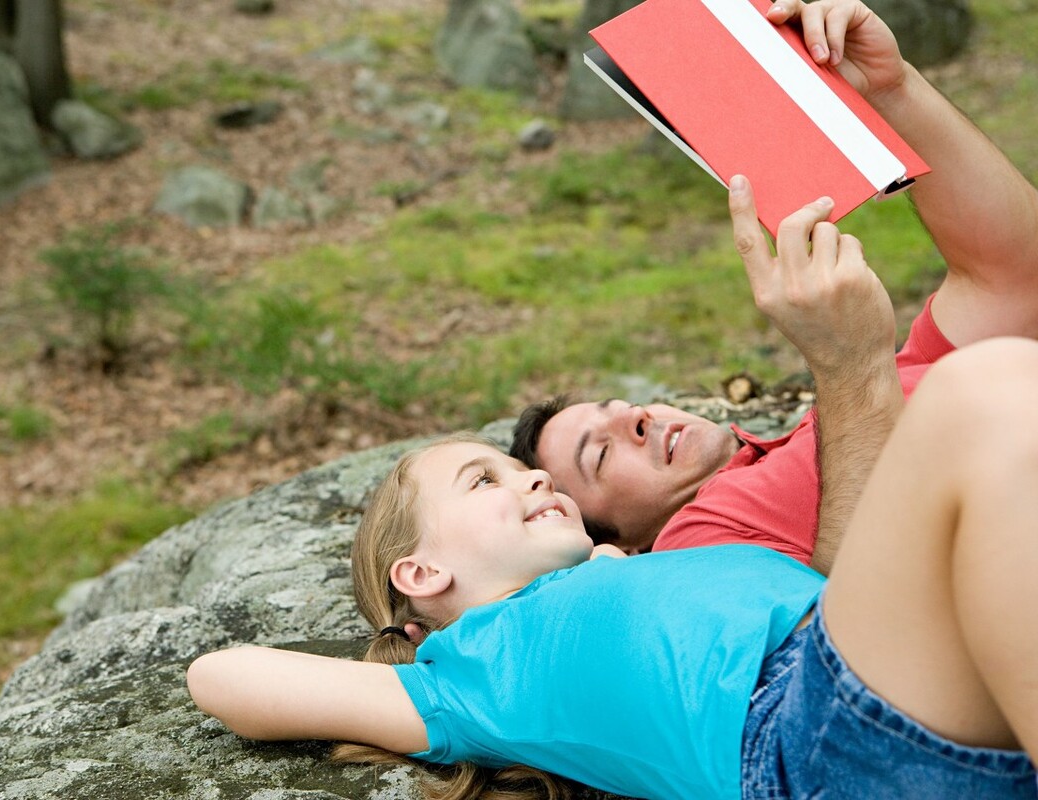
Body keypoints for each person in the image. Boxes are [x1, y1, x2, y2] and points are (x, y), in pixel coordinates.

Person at [186, 334, 1038, 798]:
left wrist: (607, 568)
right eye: (484, 479)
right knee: (979, 389)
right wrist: (396, 663)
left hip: (880, 688)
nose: (528, 479)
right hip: (801, 739)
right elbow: (220, 677)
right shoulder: (472, 669)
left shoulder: (644, 568)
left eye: (529, 474)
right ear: (422, 574)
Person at [509, 0, 1038, 574]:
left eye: (625, 407)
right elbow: (853, 633)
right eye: (603, 454)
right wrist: (849, 367)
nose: (636, 420)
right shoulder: (698, 545)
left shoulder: (840, 420)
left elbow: (1011, 277)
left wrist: (891, 91)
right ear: (621, 545)